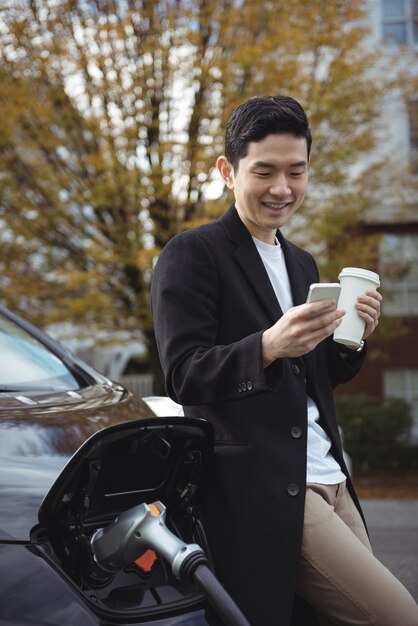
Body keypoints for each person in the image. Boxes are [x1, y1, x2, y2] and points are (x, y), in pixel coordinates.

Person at [151, 96, 418, 626]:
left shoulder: (301, 262)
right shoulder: (192, 254)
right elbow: (184, 374)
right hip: (268, 489)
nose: (282, 189)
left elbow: (314, 377)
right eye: (265, 171)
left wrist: (350, 339)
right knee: (396, 615)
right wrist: (268, 344)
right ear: (228, 171)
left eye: (296, 172)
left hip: (330, 475)